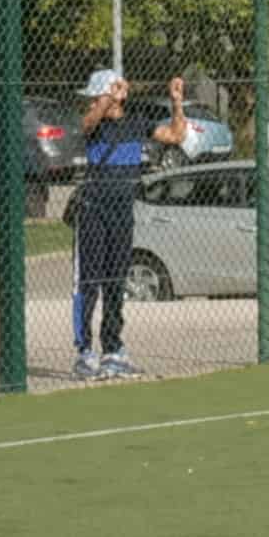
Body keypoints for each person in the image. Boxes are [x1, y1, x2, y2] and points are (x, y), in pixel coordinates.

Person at [64, 71, 175, 377]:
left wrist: (177, 103)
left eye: (97, 96)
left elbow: (176, 136)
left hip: (121, 213)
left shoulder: (136, 123)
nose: (93, 102)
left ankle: (113, 349)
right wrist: (107, 99)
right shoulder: (94, 125)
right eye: (97, 97)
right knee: (88, 281)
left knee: (115, 281)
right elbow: (86, 124)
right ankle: (85, 351)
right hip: (92, 211)